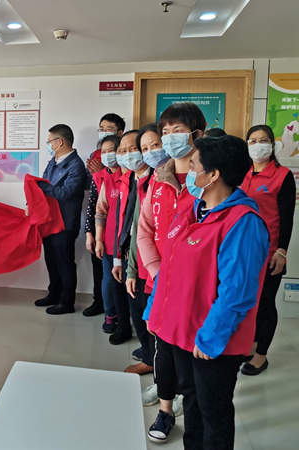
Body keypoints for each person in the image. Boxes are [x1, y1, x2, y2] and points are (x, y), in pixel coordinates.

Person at [145, 135, 269, 449]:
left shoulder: (243, 222)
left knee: (213, 411)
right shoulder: (193, 210)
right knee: (191, 401)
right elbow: (168, 267)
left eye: (193, 166)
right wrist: (155, 311)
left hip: (211, 340)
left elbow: (237, 292)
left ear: (213, 175)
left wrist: (211, 337)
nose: (188, 172)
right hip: (180, 330)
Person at [137, 102, 206, 443]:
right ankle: (165, 411)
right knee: (162, 351)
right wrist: (156, 271)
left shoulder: (209, 181)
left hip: (196, 289)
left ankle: (189, 409)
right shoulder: (158, 179)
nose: (169, 138)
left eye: (177, 131)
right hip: (161, 284)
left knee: (191, 357)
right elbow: (144, 230)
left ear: (197, 134)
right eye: (165, 132)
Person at [241, 125, 295, 376]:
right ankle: (251, 345)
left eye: (263, 140)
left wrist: (281, 251)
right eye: (252, 141)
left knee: (264, 304)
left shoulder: (282, 175)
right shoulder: (242, 174)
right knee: (248, 302)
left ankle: (261, 356)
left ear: (272, 145)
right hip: (243, 252)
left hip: (270, 252)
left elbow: (287, 218)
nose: (257, 145)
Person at [124, 123, 167, 375]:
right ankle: (152, 363)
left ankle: (165, 376)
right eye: (145, 148)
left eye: (156, 145)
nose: (151, 152)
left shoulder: (185, 183)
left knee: (164, 327)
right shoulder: (147, 183)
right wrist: (131, 269)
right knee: (143, 316)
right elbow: (139, 231)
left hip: (170, 270)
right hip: (145, 266)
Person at [34, 124, 86, 315]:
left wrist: (40, 186)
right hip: (49, 221)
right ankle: (54, 294)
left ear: (60, 142)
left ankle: (67, 302)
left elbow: (65, 192)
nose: (48, 145)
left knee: (65, 263)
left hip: (65, 223)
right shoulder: (53, 162)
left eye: (49, 141)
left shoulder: (76, 165)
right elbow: (43, 187)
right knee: (51, 261)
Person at [110, 130, 153, 349]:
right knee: (135, 306)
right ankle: (147, 352)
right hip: (128, 253)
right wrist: (118, 257)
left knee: (147, 311)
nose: (127, 155)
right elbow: (121, 221)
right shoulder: (127, 179)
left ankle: (151, 356)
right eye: (122, 151)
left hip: (149, 258)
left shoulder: (154, 180)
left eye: (133, 149)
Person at [94, 135, 129, 329]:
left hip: (130, 243)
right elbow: (100, 211)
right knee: (109, 279)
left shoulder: (132, 178)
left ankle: (128, 318)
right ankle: (110, 315)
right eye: (104, 152)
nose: (107, 155)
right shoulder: (107, 180)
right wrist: (98, 240)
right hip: (110, 241)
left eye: (112, 151)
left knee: (128, 280)